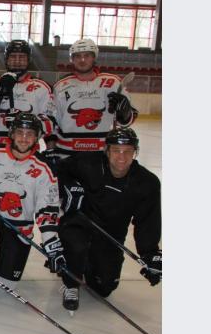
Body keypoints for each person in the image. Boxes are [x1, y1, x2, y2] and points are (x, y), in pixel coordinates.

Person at [55, 127, 160, 313]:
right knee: (76, 245)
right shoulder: (88, 163)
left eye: (128, 151)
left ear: (135, 152)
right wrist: (70, 188)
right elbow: (59, 170)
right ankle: (70, 281)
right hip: (79, 224)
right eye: (117, 150)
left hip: (110, 235)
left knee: (103, 288)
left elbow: (147, 221)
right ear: (107, 150)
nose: (122, 157)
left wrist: (150, 253)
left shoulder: (147, 182)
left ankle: (86, 263)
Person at [0, 112, 63, 310]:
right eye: (20, 132)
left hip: (19, 227)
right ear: (11, 133)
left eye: (30, 133)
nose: (24, 138)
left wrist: (52, 244)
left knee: (6, 285)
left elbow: (47, 210)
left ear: (37, 137)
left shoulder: (44, 168)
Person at [50, 38, 138, 160]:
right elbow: (53, 121)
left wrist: (124, 111)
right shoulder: (60, 86)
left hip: (102, 153)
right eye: (77, 56)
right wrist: (51, 149)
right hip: (67, 153)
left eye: (87, 55)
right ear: (72, 59)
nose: (82, 60)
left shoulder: (113, 82)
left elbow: (127, 120)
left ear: (94, 57)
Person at [0, 39, 56, 147]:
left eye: (22, 57)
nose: (17, 61)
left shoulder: (42, 87)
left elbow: (50, 122)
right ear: (6, 59)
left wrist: (24, 121)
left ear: (29, 60)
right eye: (13, 57)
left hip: (27, 151)